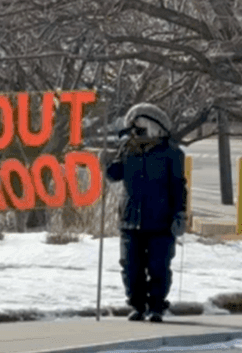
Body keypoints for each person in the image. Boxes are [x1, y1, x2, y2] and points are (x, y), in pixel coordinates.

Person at [104, 103, 187, 323]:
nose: (135, 133)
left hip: (161, 220)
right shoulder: (128, 151)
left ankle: (156, 306)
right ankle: (137, 305)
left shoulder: (171, 153)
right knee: (131, 266)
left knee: (158, 266)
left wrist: (180, 213)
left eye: (139, 128)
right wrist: (109, 158)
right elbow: (114, 175)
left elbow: (179, 186)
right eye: (132, 129)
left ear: (153, 127)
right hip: (130, 219)